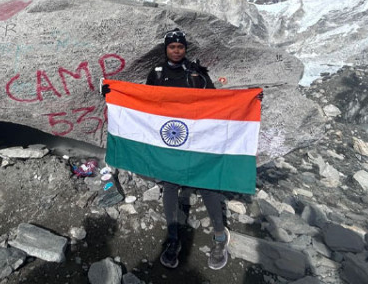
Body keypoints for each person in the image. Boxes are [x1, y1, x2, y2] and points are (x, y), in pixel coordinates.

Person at [103, 28, 261, 270]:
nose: (176, 51)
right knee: (170, 184)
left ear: (185, 49)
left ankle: (220, 236)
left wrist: (249, 101)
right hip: (170, 141)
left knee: (208, 185)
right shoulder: (156, 73)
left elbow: (217, 105)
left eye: (180, 47)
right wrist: (113, 94)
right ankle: (173, 238)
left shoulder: (197, 74)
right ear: (166, 49)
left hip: (197, 141)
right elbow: (145, 104)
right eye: (172, 47)